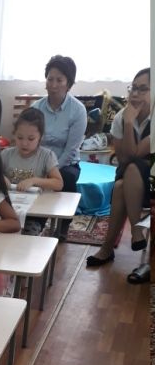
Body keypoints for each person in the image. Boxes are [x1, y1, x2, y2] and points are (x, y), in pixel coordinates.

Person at [86, 68, 151, 270]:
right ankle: (135, 231)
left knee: (126, 178)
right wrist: (128, 120)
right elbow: (123, 158)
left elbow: (137, 153)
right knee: (126, 176)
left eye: (143, 89)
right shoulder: (121, 117)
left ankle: (109, 247)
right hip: (131, 174)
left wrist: (130, 122)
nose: (135, 94)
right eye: (133, 88)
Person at [1, 108, 63, 235]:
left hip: (35, 212)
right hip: (9, 209)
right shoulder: (6, 154)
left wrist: (34, 180)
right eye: (20, 138)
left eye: (31, 139)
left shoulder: (46, 156)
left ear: (40, 138)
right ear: (14, 134)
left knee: (28, 235)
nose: (24, 143)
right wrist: (0, 177)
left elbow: (58, 183)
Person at [32, 55, 87, 195]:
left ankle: (65, 210)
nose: (53, 85)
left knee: (66, 177)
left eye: (59, 80)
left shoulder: (78, 110)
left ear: (69, 84)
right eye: (50, 79)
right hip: (37, 162)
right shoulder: (36, 108)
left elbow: (70, 151)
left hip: (65, 164)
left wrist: (50, 170)